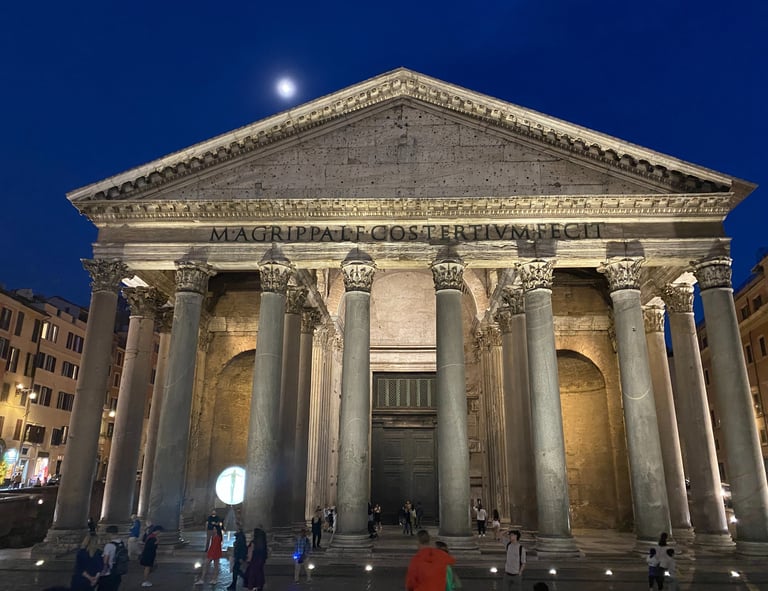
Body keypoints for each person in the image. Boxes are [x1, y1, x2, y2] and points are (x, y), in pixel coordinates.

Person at [100, 525, 124, 591]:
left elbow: (105, 561)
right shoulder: (121, 543)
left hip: (109, 572)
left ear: (109, 533)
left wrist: (102, 572)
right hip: (118, 570)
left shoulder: (109, 545)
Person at [243, 527, 268, 591]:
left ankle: (251, 587)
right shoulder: (263, 543)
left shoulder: (253, 543)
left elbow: (250, 553)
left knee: (251, 575)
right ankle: (259, 586)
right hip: (260, 562)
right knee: (259, 574)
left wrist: (248, 559)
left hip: (253, 561)